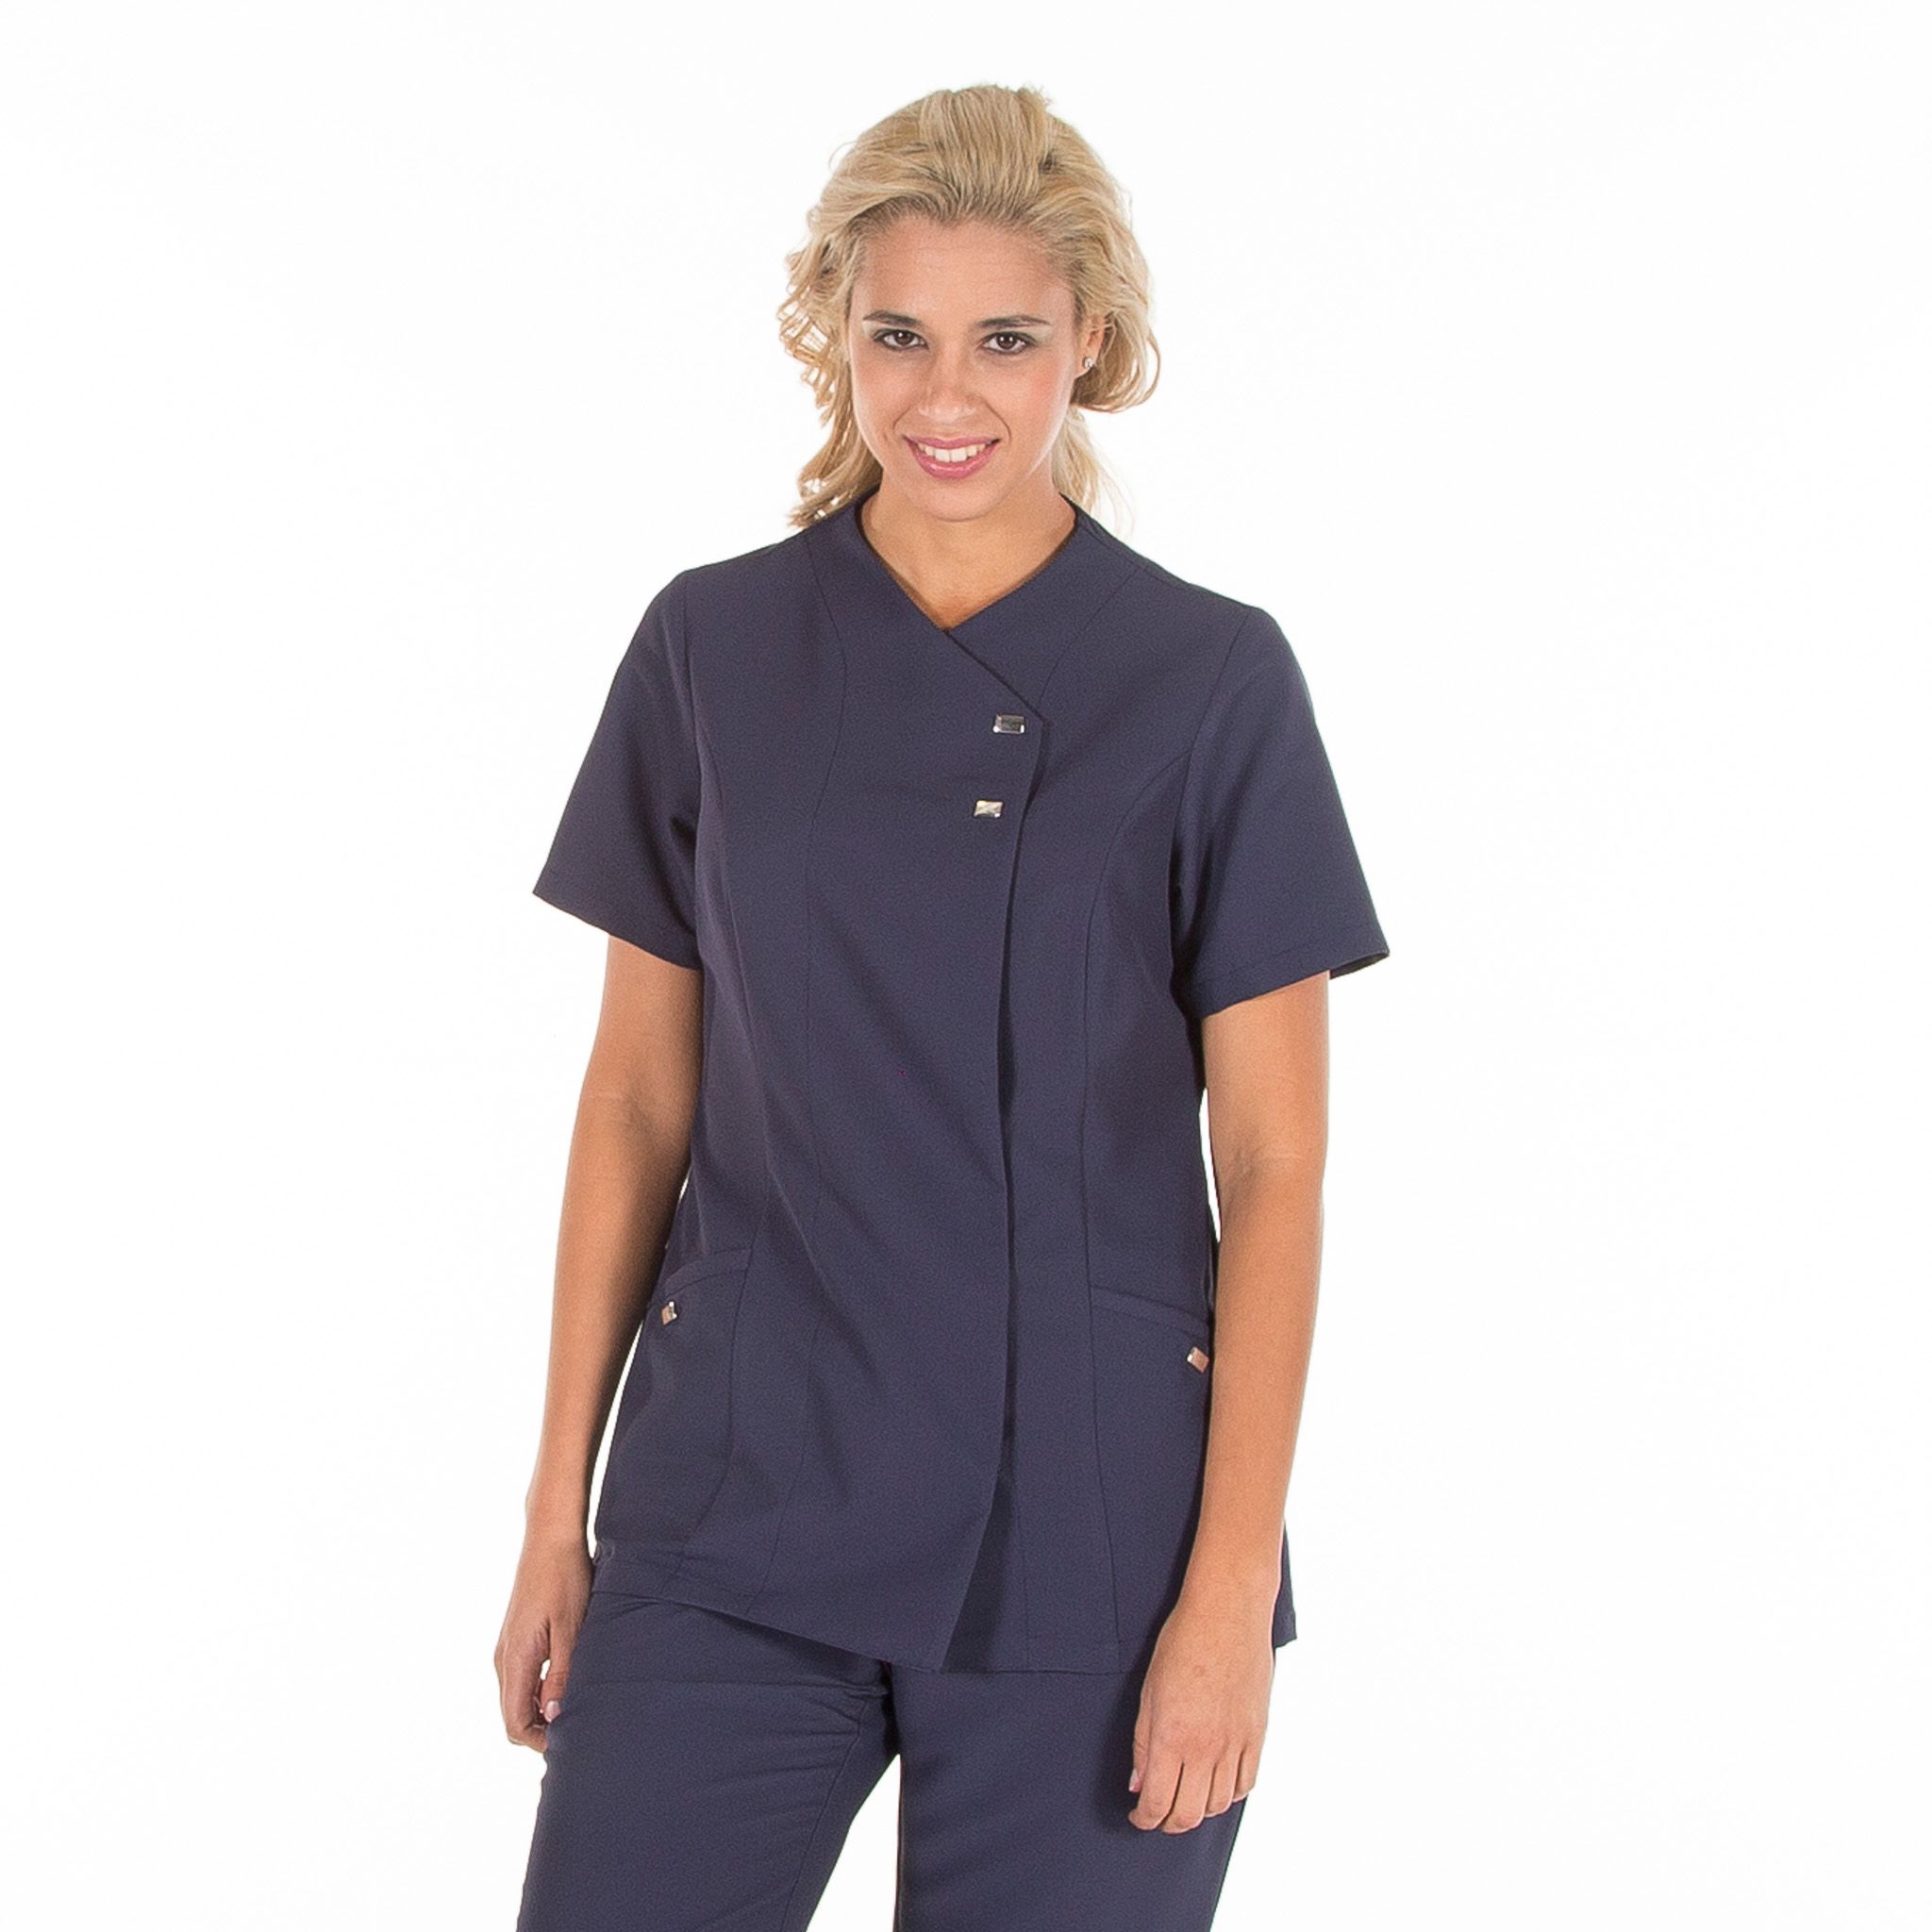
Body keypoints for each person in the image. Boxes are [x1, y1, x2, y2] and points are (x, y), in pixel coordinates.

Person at [497, 81, 1391, 1931]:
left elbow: (1276, 1165)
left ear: (1093, 345)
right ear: (833, 334)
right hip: (735, 1496)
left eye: (1006, 340)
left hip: (1092, 1532)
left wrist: (1228, 1591)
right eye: (897, 335)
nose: (945, 396)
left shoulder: (1208, 680)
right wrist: (551, 1516)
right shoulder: (712, 646)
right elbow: (636, 1101)